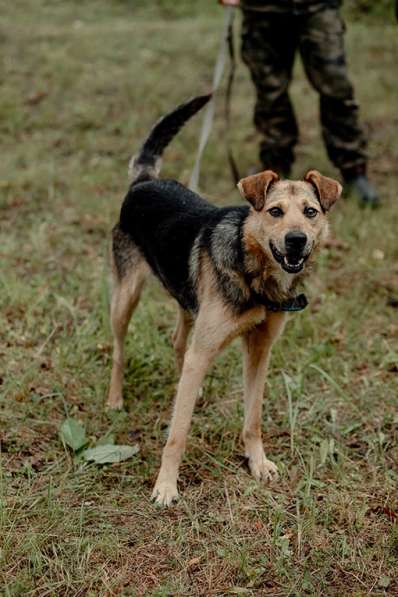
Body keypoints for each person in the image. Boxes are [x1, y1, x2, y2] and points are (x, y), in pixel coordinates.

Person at [220, 0, 380, 206]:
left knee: (336, 89)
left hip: (318, 7)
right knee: (271, 92)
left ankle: (354, 171)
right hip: (262, 9)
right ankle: (275, 169)